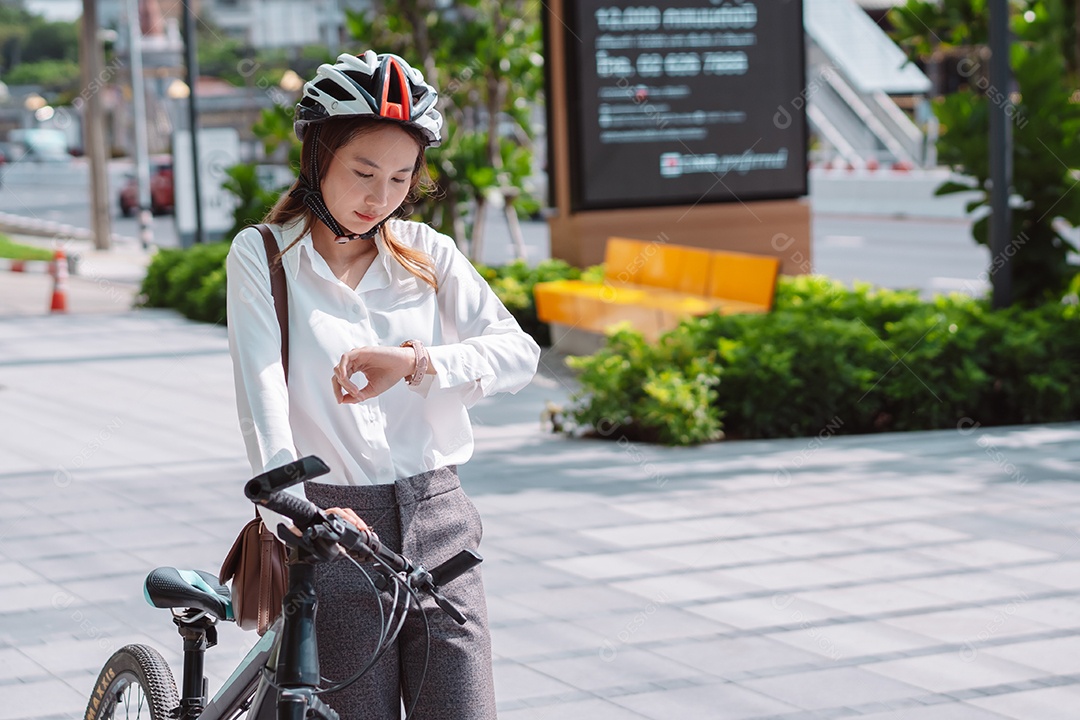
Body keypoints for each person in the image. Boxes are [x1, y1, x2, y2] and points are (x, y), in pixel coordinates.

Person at [226, 50, 540, 718]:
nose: (379, 197)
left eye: (400, 178)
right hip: (330, 526)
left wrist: (419, 364)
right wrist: (295, 510)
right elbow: (263, 399)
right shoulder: (265, 255)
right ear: (318, 160)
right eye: (363, 172)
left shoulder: (428, 254)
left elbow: (519, 353)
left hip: (440, 519)